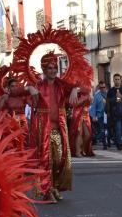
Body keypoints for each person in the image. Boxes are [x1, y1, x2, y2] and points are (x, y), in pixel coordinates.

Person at [24, 52, 80, 203]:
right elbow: (23, 95)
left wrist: (75, 88)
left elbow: (83, 86)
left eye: (55, 67)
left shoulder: (62, 85)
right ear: (44, 69)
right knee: (45, 160)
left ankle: (54, 187)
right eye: (49, 68)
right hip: (43, 129)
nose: (53, 70)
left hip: (59, 129)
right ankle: (46, 190)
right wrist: (29, 88)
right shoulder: (37, 86)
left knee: (59, 159)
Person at [69, 89, 94, 157]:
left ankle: (83, 149)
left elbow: (90, 103)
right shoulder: (76, 90)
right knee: (79, 133)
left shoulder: (89, 89)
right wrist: (84, 98)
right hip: (78, 113)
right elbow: (73, 104)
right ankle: (77, 151)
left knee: (87, 134)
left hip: (86, 113)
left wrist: (90, 98)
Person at [107, 73, 122, 150]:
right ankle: (119, 144)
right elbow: (108, 101)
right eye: (115, 79)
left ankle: (117, 139)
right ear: (113, 80)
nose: (117, 81)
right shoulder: (110, 90)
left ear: (120, 80)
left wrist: (120, 96)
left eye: (118, 79)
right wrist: (108, 112)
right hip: (115, 114)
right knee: (118, 129)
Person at [89, 81, 107, 148]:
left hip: (109, 115)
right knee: (102, 130)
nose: (102, 89)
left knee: (110, 130)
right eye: (101, 87)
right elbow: (94, 107)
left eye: (103, 87)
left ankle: (99, 139)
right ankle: (104, 144)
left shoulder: (108, 94)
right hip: (100, 115)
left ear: (106, 87)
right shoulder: (97, 96)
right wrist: (94, 116)